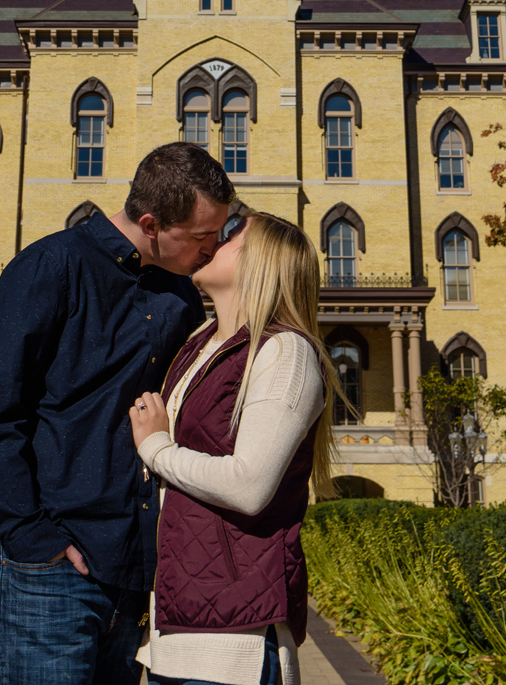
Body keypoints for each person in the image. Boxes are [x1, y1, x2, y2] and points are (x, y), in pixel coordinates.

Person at [0, 142, 236, 685]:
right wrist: (35, 539)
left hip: (130, 573)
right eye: (203, 238)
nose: (213, 250)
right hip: (43, 571)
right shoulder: (50, 267)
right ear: (151, 223)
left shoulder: (181, 297)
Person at [129, 208, 334, 685]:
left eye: (230, 234)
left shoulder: (286, 352)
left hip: (232, 641)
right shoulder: (200, 342)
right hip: (173, 630)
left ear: (259, 262)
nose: (213, 240)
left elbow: (249, 486)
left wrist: (157, 449)